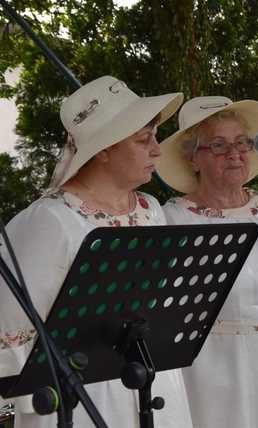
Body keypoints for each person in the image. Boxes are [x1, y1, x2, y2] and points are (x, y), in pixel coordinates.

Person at [0, 76, 193, 428]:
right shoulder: (48, 220)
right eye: (143, 139)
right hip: (82, 400)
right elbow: (11, 332)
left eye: (155, 135)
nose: (157, 149)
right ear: (103, 150)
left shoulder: (150, 208)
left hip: (153, 385)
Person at [155, 96, 258, 428]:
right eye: (218, 146)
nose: (234, 153)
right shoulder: (174, 218)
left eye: (242, 143)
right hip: (225, 372)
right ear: (193, 158)